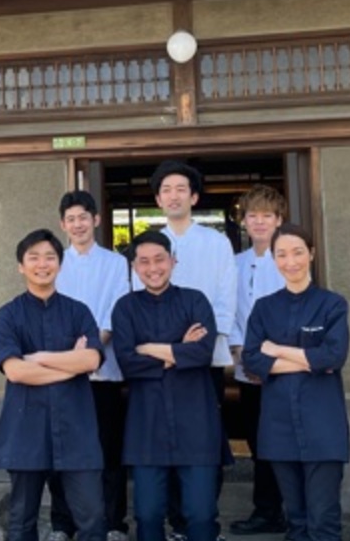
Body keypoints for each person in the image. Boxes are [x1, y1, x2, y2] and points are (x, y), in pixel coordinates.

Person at [0, 229, 107, 541]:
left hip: (76, 430)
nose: (42, 264)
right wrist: (71, 362)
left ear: (60, 263)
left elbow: (93, 361)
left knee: (92, 519)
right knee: (21, 522)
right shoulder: (7, 316)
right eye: (34, 258)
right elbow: (15, 371)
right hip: (25, 430)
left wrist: (41, 359)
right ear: (21, 266)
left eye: (50, 257)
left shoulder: (78, 311)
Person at [241, 224, 350, 541]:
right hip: (278, 427)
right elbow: (252, 361)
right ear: (274, 260)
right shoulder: (264, 308)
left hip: (323, 426)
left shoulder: (333, 304)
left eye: (298, 252)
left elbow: (333, 357)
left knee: (323, 521)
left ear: (312, 254)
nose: (291, 261)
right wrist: (309, 360)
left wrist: (277, 351)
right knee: (297, 522)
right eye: (282, 254)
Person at [147, 160, 238, 539]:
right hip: (159, 364)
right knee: (164, 438)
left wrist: (195, 343)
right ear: (157, 198)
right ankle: (173, 521)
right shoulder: (151, 243)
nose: (173, 195)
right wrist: (167, 346)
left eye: (181, 188)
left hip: (204, 360)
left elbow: (225, 299)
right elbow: (143, 298)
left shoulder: (216, 243)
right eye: (166, 189)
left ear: (194, 196)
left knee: (204, 441)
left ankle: (201, 519)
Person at [113, 230, 223, 541]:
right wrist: (178, 349)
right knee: (147, 515)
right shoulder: (125, 307)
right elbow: (126, 361)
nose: (153, 268)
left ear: (173, 261)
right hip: (146, 424)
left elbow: (202, 352)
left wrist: (148, 348)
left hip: (196, 421)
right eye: (144, 262)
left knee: (201, 515)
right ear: (134, 267)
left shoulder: (195, 300)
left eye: (159, 259)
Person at [48, 191, 132, 541]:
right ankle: (62, 523)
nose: (78, 224)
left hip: (105, 372)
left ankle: (114, 523)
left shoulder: (115, 263)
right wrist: (71, 359)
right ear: (62, 225)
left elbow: (115, 310)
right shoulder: (55, 262)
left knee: (108, 450)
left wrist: (92, 351)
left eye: (84, 217)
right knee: (62, 452)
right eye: (71, 219)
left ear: (96, 220)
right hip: (63, 374)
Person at [229, 186, 289, 536]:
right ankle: (266, 509)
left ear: (279, 220)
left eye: (267, 215)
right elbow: (233, 312)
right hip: (246, 367)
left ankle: (280, 509)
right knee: (256, 441)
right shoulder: (235, 263)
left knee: (279, 441)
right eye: (253, 215)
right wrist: (241, 355)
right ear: (244, 221)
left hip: (282, 368)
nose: (260, 222)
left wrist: (268, 360)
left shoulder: (287, 260)